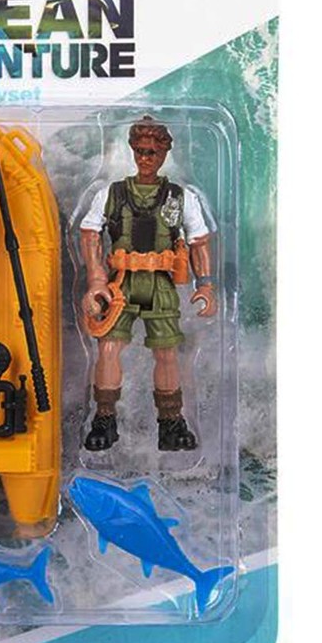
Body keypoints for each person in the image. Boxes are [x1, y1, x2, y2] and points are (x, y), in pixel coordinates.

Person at [79, 116, 217, 451]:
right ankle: (104, 419)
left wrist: (205, 284)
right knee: (108, 348)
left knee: (167, 352)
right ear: (132, 151)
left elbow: (199, 241)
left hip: (160, 284)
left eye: (152, 152)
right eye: (140, 151)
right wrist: (96, 279)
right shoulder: (112, 194)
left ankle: (171, 423)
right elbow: (90, 233)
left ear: (163, 153)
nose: (145, 158)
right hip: (121, 285)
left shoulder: (179, 197)